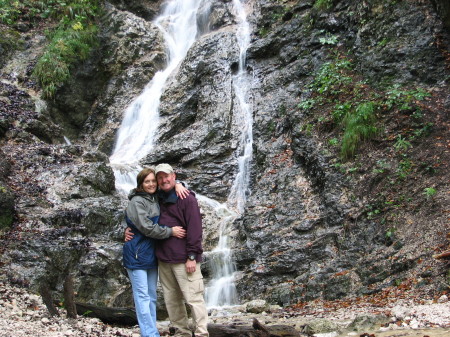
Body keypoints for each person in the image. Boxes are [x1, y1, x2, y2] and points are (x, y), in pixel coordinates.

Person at [122, 167, 188, 337]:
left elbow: (169, 186)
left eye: (153, 181)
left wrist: (179, 184)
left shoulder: (155, 197)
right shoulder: (138, 201)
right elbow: (146, 227)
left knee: (151, 296)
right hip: (136, 254)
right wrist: (170, 231)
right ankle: (150, 334)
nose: (151, 184)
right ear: (141, 184)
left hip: (152, 254)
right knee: (142, 297)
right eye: (147, 181)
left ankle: (150, 331)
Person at [154, 163, 209, 337]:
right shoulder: (157, 198)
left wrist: (192, 256)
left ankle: (201, 333)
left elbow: (195, 229)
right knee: (172, 300)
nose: (164, 180)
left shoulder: (187, 198)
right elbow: (137, 195)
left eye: (167, 176)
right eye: (160, 177)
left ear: (174, 176)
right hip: (164, 259)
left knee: (194, 298)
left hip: (184, 259)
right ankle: (181, 332)